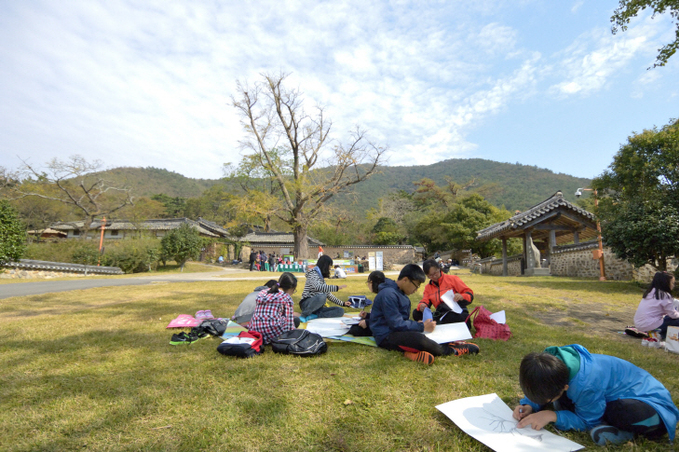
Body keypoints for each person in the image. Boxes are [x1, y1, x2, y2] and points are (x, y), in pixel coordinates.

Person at [513, 344, 679, 446]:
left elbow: (587, 421)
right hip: (603, 395)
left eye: (544, 399)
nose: (541, 402)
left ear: (564, 386)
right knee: (577, 403)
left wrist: (552, 415)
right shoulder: (549, 364)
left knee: (618, 411)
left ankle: (624, 433)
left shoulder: (587, 385)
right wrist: (529, 405)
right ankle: (573, 406)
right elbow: (539, 384)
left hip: (653, 408)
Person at [369, 264, 480, 365]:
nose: (416, 290)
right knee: (419, 339)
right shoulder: (388, 294)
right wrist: (421, 326)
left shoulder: (398, 293)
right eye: (416, 285)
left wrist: (417, 325)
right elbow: (396, 323)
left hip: (397, 331)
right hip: (386, 336)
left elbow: (401, 321)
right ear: (405, 280)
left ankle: (413, 354)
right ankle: (452, 351)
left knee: (424, 334)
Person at [413, 259, 474, 326]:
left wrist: (462, 296)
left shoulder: (453, 279)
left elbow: (469, 294)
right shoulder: (428, 287)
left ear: (439, 269)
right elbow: (425, 300)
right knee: (416, 313)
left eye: (435, 273)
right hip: (441, 312)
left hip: (456, 311)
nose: (434, 276)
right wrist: (422, 305)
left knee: (452, 317)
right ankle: (438, 322)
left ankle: (437, 323)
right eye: (430, 275)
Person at [248, 272, 301, 344]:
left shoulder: (262, 293)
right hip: (274, 334)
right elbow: (289, 324)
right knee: (296, 320)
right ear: (292, 289)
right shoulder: (286, 297)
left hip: (255, 331)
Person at [299, 255, 351, 321]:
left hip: (318, 307)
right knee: (322, 297)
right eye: (329, 265)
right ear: (325, 265)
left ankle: (315, 315)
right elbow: (317, 287)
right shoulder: (313, 273)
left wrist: (343, 303)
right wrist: (336, 288)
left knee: (340, 311)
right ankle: (304, 315)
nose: (330, 268)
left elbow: (328, 294)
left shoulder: (321, 278)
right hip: (307, 303)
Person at [634, 271, 679, 339]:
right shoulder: (665, 295)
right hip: (650, 325)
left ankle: (661, 335)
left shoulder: (651, 292)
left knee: (667, 318)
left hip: (639, 324)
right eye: (672, 283)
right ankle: (660, 334)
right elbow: (673, 314)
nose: (673, 285)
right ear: (666, 283)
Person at [346, 271, 385, 337]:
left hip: (383, 328)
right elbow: (381, 315)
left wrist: (368, 322)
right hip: (381, 324)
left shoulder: (383, 296)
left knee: (355, 329)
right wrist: (367, 315)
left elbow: (387, 318)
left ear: (371, 282)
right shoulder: (383, 293)